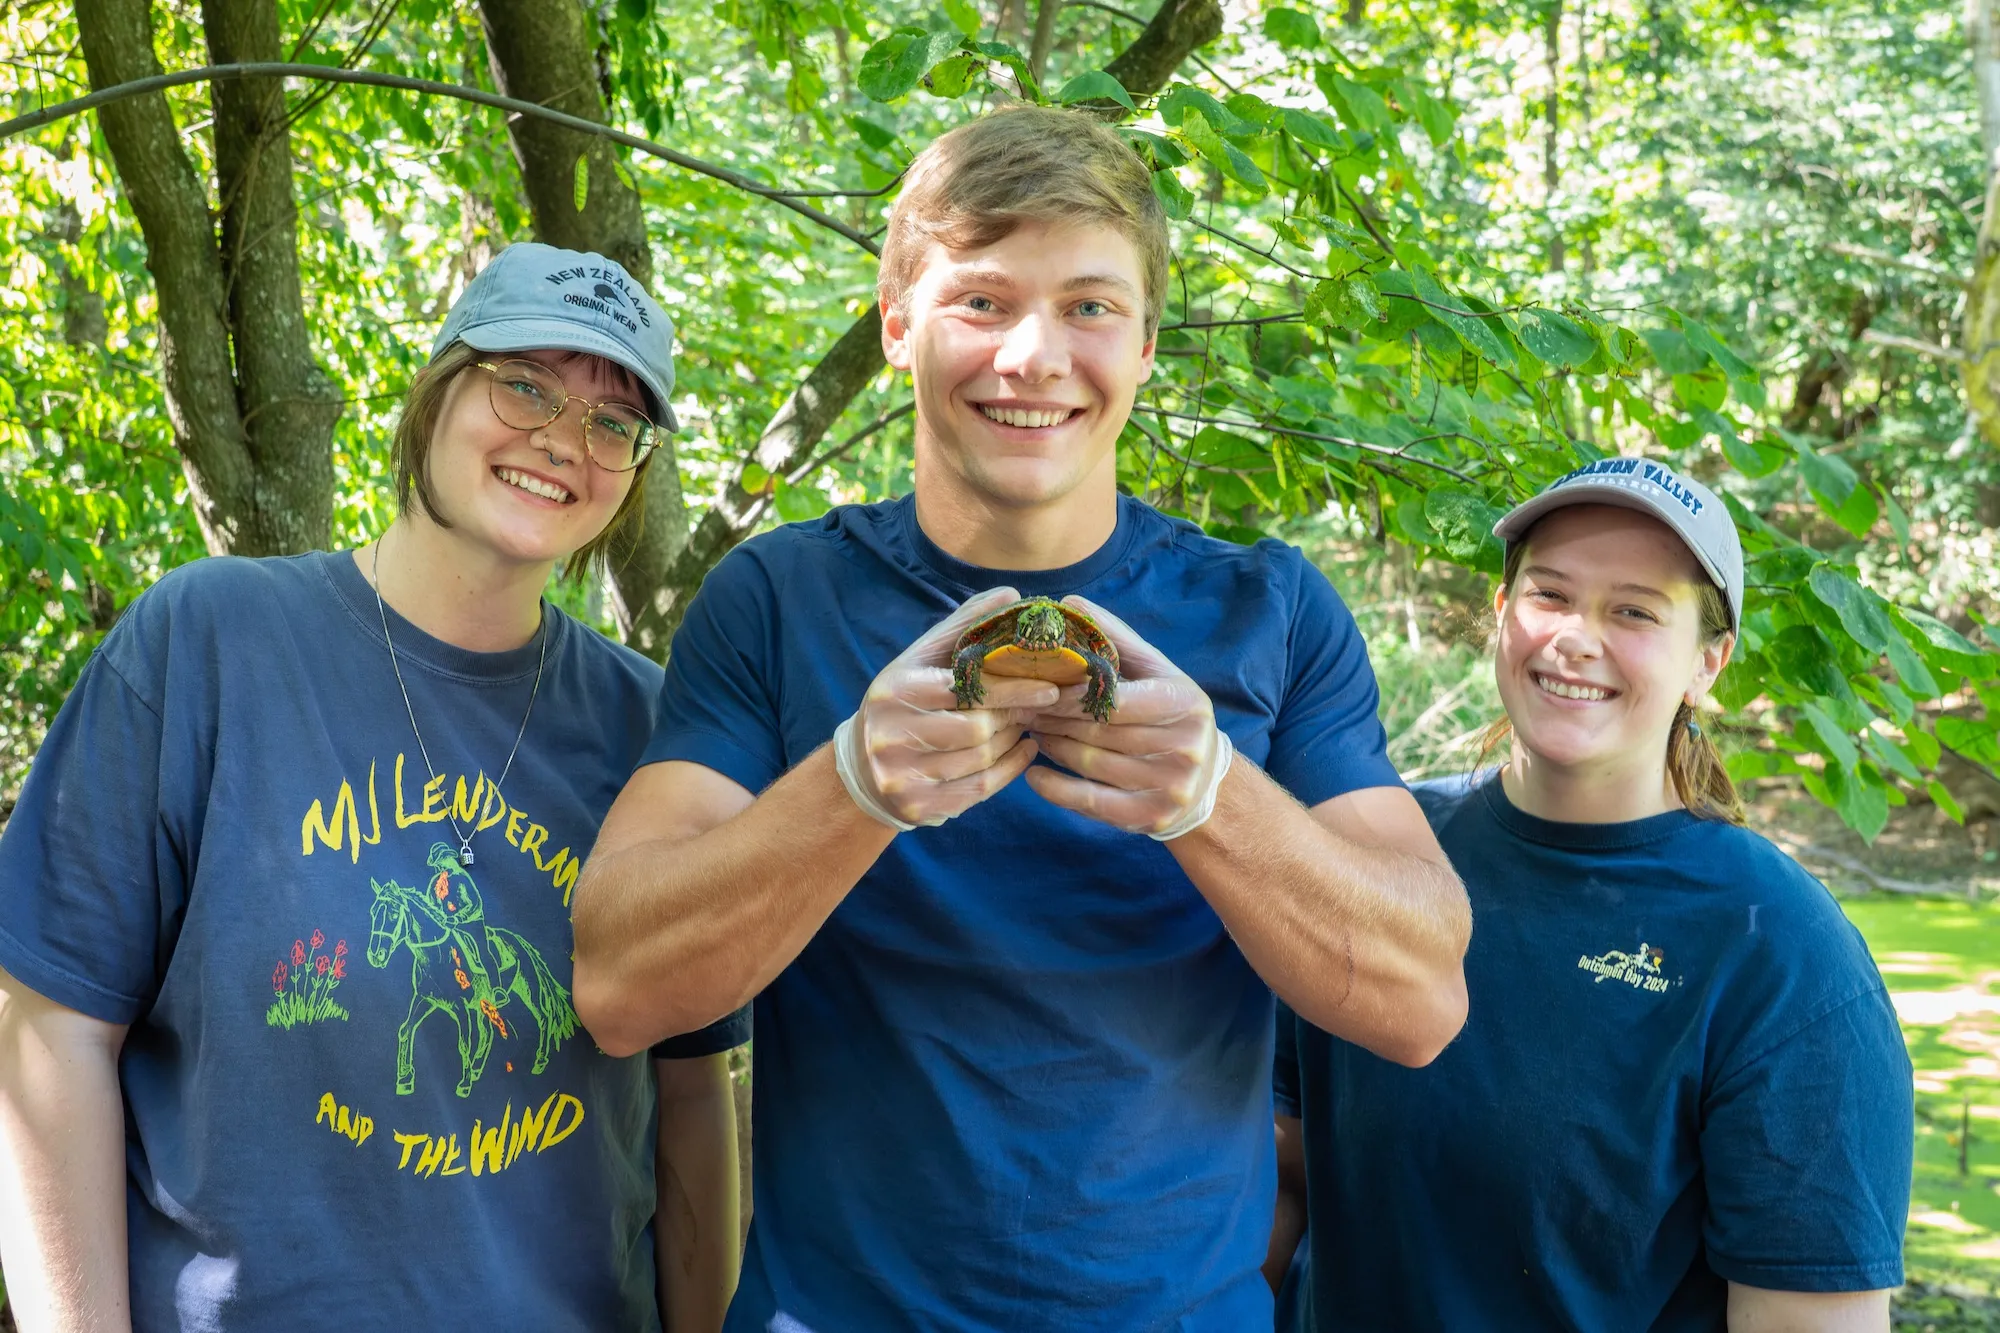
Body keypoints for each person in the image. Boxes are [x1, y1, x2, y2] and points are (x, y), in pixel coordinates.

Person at [569, 106, 1473, 1330]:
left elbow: (1420, 1001)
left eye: (1090, 306)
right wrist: (851, 785)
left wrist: (1209, 796)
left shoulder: (1269, 610)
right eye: (982, 302)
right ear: (898, 326)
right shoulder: (779, 600)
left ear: (1147, 342)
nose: (1032, 356)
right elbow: (620, 982)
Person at [0, 242, 749, 1332]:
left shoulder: (651, 724)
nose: (560, 439)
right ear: (438, 389)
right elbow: (49, 1031)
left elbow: (691, 1097)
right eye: (524, 384)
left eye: (612, 421)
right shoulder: (211, 639)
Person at [1270, 458, 1915, 1331]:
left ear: (1708, 663)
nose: (1577, 636)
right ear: (1501, 617)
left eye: (1635, 611)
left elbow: (1811, 1318)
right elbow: (1274, 1192)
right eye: (1551, 595)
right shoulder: (1376, 853)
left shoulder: (1779, 949)